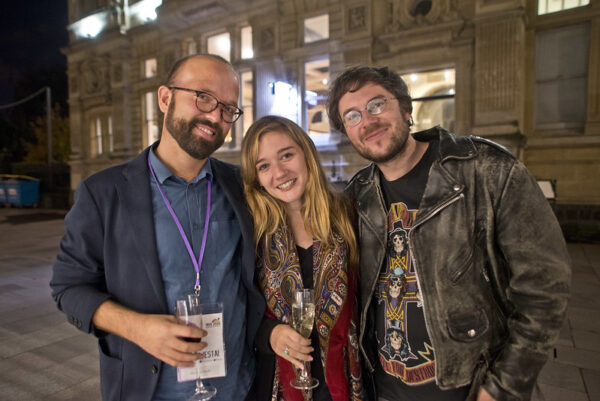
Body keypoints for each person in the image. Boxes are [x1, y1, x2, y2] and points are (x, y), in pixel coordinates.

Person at [327, 65, 571, 401]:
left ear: (406, 108)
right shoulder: (357, 196)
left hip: (469, 388)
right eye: (352, 116)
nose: (367, 122)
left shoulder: (486, 169)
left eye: (376, 105)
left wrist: (503, 388)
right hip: (382, 390)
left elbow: (545, 289)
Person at [50, 54, 265, 401]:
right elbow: (68, 288)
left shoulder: (243, 187)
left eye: (228, 108)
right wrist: (138, 329)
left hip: (237, 389)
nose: (215, 116)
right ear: (165, 98)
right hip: (148, 391)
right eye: (204, 97)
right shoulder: (103, 193)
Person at [240, 115, 364, 401]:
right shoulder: (251, 230)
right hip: (277, 386)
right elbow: (238, 306)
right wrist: (269, 334)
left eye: (286, 155)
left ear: (306, 152)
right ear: (256, 177)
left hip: (347, 381)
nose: (280, 172)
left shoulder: (349, 216)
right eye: (264, 166)